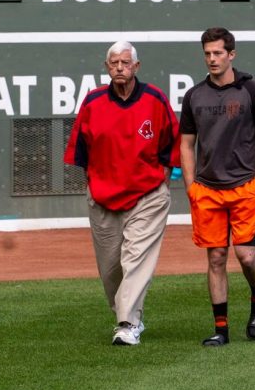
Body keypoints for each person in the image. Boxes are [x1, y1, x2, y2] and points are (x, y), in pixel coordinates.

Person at [64, 40, 179, 346]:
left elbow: (172, 143)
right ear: (106, 67)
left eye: (125, 63)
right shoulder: (93, 101)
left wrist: (163, 180)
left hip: (147, 195)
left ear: (136, 67)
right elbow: (81, 153)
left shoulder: (155, 99)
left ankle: (127, 323)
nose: (119, 67)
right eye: (113, 63)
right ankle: (128, 315)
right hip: (104, 197)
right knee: (111, 269)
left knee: (135, 259)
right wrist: (93, 186)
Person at [180, 27, 255, 347]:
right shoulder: (194, 95)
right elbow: (186, 143)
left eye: (218, 53)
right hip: (207, 190)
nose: (212, 59)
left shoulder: (253, 92)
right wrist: (192, 186)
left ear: (231, 54)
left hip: (243, 189)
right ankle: (221, 329)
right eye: (207, 53)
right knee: (217, 258)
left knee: (247, 257)